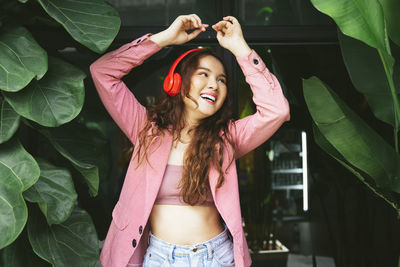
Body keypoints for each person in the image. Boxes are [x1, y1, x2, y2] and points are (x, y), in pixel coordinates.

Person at [90, 14, 290, 267]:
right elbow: (103, 72)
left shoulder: (228, 138)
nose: (214, 85)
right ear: (176, 82)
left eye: (221, 80)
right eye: (203, 75)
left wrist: (240, 47)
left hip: (216, 257)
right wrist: (165, 39)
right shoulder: (145, 129)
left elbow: (277, 110)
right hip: (159, 258)